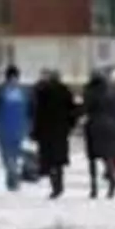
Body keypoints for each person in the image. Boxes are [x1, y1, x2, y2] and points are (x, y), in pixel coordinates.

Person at [31, 69, 78, 199]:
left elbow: (38, 113)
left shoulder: (42, 92)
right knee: (58, 161)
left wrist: (35, 131)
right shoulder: (65, 91)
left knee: (49, 160)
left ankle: (55, 186)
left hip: (46, 131)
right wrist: (70, 125)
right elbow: (72, 110)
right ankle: (59, 185)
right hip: (61, 131)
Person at [81, 70, 115, 200]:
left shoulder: (89, 92)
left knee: (92, 159)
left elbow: (86, 108)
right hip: (111, 127)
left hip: (94, 127)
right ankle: (112, 185)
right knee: (108, 157)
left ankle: (94, 188)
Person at [0, 66, 31, 192]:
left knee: (10, 155)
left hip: (11, 127)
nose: (14, 80)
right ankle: (12, 176)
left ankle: (12, 177)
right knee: (10, 155)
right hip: (13, 127)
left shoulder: (1, 91)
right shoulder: (22, 92)